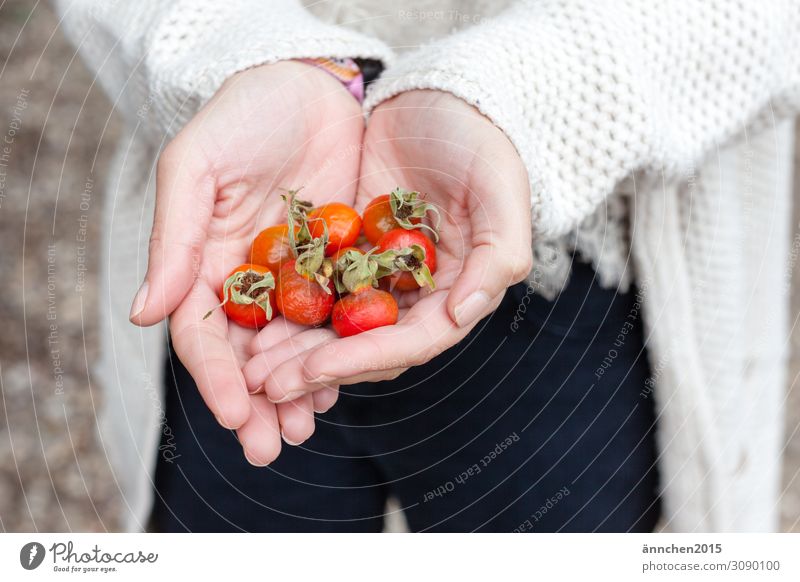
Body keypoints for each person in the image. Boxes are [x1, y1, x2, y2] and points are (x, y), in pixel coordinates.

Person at [55, 0, 800, 532]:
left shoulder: (319, 258)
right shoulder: (297, 263)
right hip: (238, 238)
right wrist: (244, 50)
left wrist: (514, 96)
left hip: (587, 277)